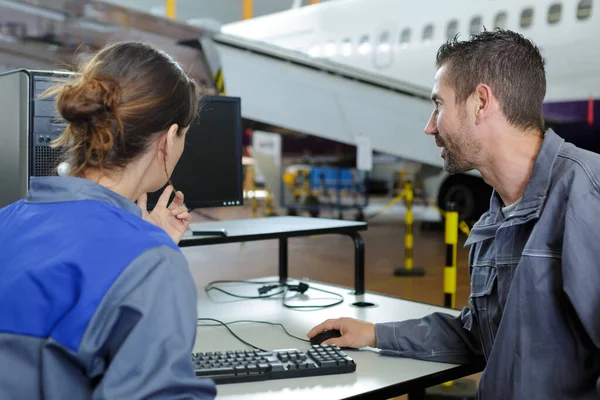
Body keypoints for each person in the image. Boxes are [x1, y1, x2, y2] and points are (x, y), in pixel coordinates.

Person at [308, 28, 600, 399]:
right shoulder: (494, 222)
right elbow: (479, 334)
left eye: (439, 105)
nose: (430, 126)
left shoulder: (588, 196)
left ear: (481, 102)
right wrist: (375, 334)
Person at [0, 42, 217, 399]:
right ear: (167, 140)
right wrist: (150, 255)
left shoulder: (8, 221)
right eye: (184, 136)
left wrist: (145, 242)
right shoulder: (151, 264)